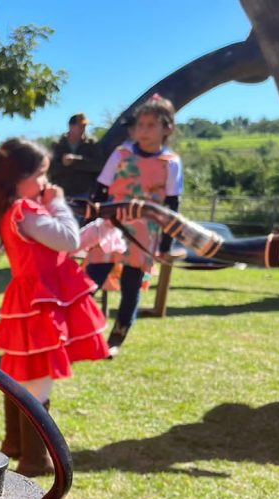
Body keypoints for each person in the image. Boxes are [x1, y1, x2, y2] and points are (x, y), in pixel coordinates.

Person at [0, 138, 116, 476]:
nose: (46, 183)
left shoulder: (14, 211)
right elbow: (68, 240)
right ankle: (35, 459)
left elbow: (63, 245)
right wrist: (58, 204)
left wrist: (101, 227)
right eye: (41, 174)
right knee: (38, 377)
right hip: (39, 302)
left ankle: (16, 444)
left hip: (33, 299)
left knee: (22, 374)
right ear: (19, 178)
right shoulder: (25, 211)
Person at [85, 95, 183, 357]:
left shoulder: (170, 163)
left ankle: (117, 336)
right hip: (111, 227)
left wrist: (165, 245)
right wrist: (91, 226)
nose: (144, 130)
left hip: (144, 233)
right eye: (141, 125)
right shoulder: (121, 154)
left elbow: (172, 206)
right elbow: (101, 190)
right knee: (88, 281)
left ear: (167, 128)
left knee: (131, 285)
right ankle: (78, 332)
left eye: (151, 125)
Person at [49, 113, 104, 200]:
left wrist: (76, 161)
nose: (83, 129)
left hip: (84, 192)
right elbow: (50, 168)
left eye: (84, 126)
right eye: (80, 126)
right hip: (62, 193)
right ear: (71, 127)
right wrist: (63, 163)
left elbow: (99, 165)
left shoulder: (91, 144)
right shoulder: (57, 144)